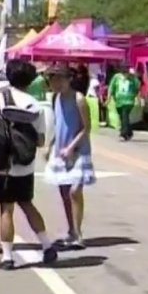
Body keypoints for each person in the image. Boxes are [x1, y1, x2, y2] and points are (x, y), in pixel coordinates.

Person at [0, 59, 58, 270]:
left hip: (1, 163)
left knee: (6, 209)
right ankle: (47, 245)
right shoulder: (34, 105)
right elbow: (41, 141)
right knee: (27, 204)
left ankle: (7, 257)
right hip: (25, 164)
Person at [44, 63, 96, 249]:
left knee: (75, 191)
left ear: (69, 79)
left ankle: (78, 234)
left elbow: (86, 128)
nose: (56, 83)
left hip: (78, 151)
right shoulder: (56, 98)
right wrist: (50, 146)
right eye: (52, 79)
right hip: (61, 151)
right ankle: (71, 231)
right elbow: (58, 125)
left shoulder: (79, 99)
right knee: (64, 193)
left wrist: (71, 147)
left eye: (60, 79)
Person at [108, 65, 139, 141]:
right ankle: (129, 132)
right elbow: (111, 87)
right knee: (123, 116)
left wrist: (136, 96)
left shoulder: (133, 78)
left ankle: (124, 133)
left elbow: (137, 88)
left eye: (126, 72)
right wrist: (108, 98)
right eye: (124, 72)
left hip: (129, 101)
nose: (125, 75)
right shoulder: (116, 77)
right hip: (118, 101)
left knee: (125, 115)